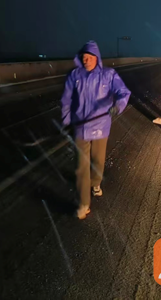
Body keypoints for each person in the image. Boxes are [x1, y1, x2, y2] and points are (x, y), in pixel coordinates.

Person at [60, 40, 131, 220]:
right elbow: (66, 99)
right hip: (80, 126)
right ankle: (83, 203)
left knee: (98, 160)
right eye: (84, 57)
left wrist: (118, 106)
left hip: (100, 125)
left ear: (97, 58)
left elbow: (123, 92)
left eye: (89, 57)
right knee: (80, 166)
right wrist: (66, 120)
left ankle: (95, 183)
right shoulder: (75, 75)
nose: (86, 60)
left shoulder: (108, 74)